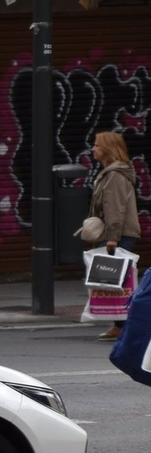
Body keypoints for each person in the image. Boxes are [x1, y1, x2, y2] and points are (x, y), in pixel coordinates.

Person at [88, 132, 142, 341]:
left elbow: (115, 208)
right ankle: (121, 324)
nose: (93, 149)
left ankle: (124, 326)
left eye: (96, 146)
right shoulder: (112, 173)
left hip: (119, 234)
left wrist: (112, 237)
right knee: (116, 281)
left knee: (116, 281)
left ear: (107, 149)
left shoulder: (116, 175)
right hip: (118, 233)